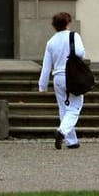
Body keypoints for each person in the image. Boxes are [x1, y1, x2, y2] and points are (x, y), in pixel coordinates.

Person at [38, 11, 87, 149]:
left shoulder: (51, 41)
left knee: (63, 108)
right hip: (73, 75)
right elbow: (80, 52)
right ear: (68, 22)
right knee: (75, 107)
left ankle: (71, 141)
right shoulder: (73, 36)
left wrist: (42, 86)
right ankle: (62, 131)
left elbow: (46, 66)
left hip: (58, 76)